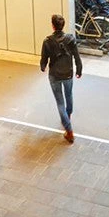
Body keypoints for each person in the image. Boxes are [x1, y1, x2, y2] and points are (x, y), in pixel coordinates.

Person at [40, 14, 82, 143]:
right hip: (68, 73)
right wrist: (79, 69)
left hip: (55, 75)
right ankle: (67, 116)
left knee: (60, 102)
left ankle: (69, 131)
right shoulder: (70, 39)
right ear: (62, 25)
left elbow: (44, 59)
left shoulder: (47, 41)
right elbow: (76, 56)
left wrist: (43, 66)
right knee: (69, 95)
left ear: (52, 26)